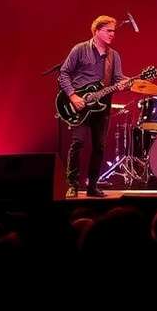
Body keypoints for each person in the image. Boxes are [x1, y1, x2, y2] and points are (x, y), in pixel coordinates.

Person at [59, 15, 129, 198]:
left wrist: (125, 84)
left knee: (99, 146)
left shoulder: (114, 56)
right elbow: (64, 73)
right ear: (97, 31)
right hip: (79, 106)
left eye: (114, 31)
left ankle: (92, 186)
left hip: (102, 106)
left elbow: (117, 80)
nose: (113, 34)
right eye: (108, 30)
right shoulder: (80, 49)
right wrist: (73, 96)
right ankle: (72, 184)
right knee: (78, 143)